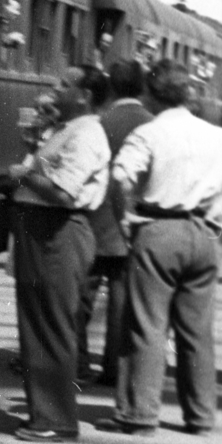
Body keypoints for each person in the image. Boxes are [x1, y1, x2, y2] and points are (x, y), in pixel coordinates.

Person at [109, 58, 222, 436]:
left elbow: (119, 178)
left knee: (147, 325)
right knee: (197, 330)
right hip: (204, 232)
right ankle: (200, 416)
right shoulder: (220, 136)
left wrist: (125, 219)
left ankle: (140, 414)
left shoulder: (149, 133)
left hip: (158, 230)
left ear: (150, 94)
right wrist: (220, 210)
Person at [8, 65, 111, 441]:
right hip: (43, 231)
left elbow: (64, 191)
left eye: (65, 84)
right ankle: (44, 416)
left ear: (84, 96)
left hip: (59, 232)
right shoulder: (68, 129)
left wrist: (23, 173)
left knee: (50, 325)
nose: (56, 88)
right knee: (37, 323)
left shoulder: (86, 134)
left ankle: (55, 420)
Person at [77, 59, 152, 386]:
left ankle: (77, 363)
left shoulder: (97, 122)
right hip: (130, 226)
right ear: (142, 86)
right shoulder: (152, 125)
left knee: (80, 299)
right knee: (122, 303)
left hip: (93, 221)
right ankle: (113, 368)